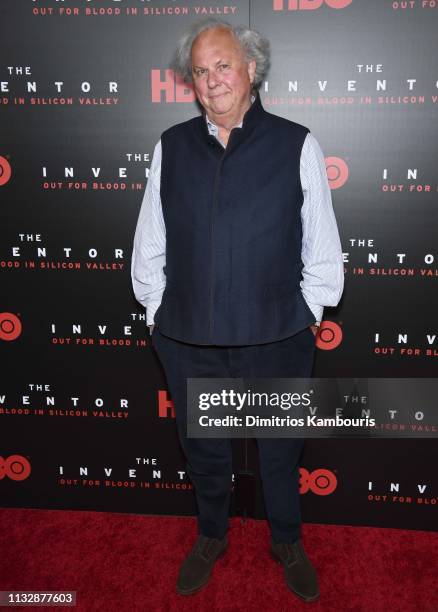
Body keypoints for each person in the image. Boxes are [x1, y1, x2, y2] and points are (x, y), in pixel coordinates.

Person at [131, 17, 344, 602]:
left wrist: (309, 314)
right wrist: (156, 311)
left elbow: (321, 246)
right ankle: (211, 534)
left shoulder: (296, 143)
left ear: (251, 69)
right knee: (204, 450)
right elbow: (150, 240)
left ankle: (287, 541)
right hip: (189, 338)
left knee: (280, 450)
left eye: (223, 65)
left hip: (277, 334)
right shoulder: (171, 146)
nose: (212, 79)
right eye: (201, 71)